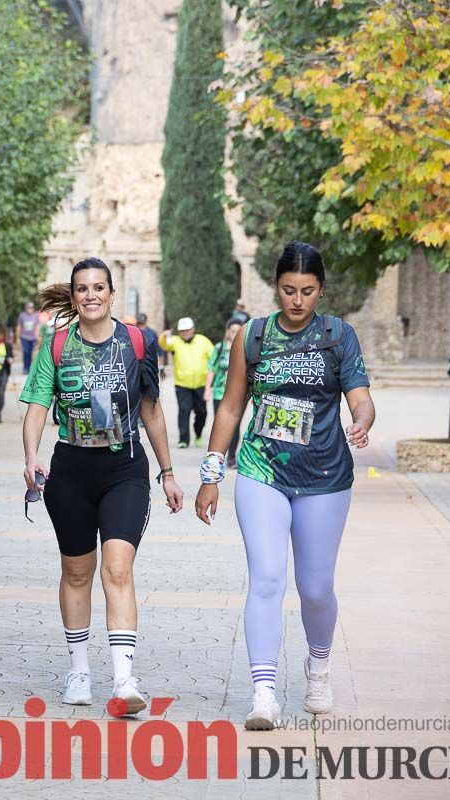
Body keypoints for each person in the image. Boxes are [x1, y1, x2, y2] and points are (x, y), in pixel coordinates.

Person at [194, 242, 375, 731]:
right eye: (289, 290)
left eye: (308, 291)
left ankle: (318, 666)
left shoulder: (339, 337)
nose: (298, 301)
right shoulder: (252, 337)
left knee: (315, 588)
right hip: (261, 471)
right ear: (276, 287)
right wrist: (211, 475)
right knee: (268, 579)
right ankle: (264, 692)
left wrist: (361, 420)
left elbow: (360, 397)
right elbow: (231, 407)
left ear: (321, 290)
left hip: (324, 477)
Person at [20, 257, 184, 714]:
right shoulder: (55, 346)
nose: (90, 296)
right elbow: (36, 407)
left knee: (117, 569)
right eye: (82, 289)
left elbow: (151, 410)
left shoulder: (137, 342)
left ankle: (124, 679)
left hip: (124, 469)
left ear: (112, 293)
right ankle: (78, 670)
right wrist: (31, 455)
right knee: (76, 573)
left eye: (99, 288)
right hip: (70, 469)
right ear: (73, 297)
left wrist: (167, 471)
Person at [159, 318, 214, 448]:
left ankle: (198, 433)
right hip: (182, 384)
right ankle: (183, 439)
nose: (185, 332)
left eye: (187, 329)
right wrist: (164, 335)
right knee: (184, 411)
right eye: (182, 330)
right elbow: (163, 344)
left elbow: (213, 356)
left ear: (193, 329)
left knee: (202, 412)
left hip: (201, 384)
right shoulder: (175, 341)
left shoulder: (203, 340)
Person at [206, 318, 244, 468]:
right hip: (219, 393)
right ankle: (218, 456)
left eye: (238, 331)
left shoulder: (244, 349)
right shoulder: (220, 348)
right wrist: (207, 388)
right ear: (228, 331)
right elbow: (211, 368)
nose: (235, 334)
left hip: (239, 395)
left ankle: (232, 457)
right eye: (233, 331)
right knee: (220, 424)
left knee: (236, 425)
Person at [16, 301, 41, 374]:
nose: (30, 309)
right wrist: (17, 338)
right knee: (26, 351)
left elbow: (37, 326)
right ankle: (25, 368)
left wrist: (38, 335)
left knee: (30, 352)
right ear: (26, 308)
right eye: (28, 307)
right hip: (24, 337)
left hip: (33, 337)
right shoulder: (22, 316)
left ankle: (29, 367)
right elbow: (19, 327)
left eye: (31, 308)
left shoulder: (35, 315)